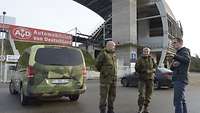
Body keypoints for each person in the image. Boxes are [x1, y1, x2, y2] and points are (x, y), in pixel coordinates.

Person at [95, 41, 117, 113]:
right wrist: (104, 72)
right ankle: (102, 111)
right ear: (109, 46)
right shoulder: (103, 54)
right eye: (113, 46)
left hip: (113, 79)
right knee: (103, 97)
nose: (114, 47)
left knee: (112, 96)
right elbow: (97, 65)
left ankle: (110, 110)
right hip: (105, 79)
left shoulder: (113, 55)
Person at [170, 38, 191, 113]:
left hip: (180, 79)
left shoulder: (184, 50)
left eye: (174, 43)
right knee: (182, 100)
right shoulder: (178, 53)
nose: (173, 44)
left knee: (177, 101)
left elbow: (187, 60)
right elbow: (171, 68)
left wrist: (175, 56)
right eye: (172, 43)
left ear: (180, 43)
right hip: (177, 78)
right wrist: (173, 64)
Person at [135, 47, 157, 113]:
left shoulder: (152, 58)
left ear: (149, 52)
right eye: (145, 51)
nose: (146, 52)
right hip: (142, 79)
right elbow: (136, 68)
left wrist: (152, 70)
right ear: (143, 52)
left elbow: (155, 67)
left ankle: (145, 108)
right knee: (142, 95)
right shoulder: (139, 59)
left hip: (150, 79)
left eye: (147, 51)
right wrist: (144, 70)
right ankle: (140, 108)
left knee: (148, 95)